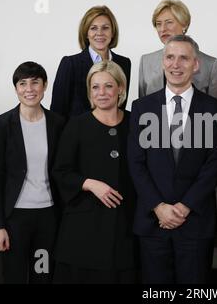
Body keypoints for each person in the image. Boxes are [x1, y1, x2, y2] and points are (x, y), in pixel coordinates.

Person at [128, 35, 217, 283]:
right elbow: (136, 163)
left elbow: (213, 165)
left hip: (195, 221)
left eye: (184, 58)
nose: (176, 64)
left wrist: (184, 207)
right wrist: (159, 207)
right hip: (153, 222)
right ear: (163, 62)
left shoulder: (215, 109)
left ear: (196, 65)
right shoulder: (142, 107)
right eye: (170, 57)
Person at [52, 61, 137, 283]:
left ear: (120, 88)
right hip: (84, 228)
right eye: (95, 87)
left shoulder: (136, 123)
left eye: (108, 86)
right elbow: (60, 172)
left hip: (125, 226)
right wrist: (89, 183)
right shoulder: (76, 125)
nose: (102, 93)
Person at [0, 61, 65, 283]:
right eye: (23, 83)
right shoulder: (2, 124)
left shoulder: (57, 123)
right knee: (14, 276)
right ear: (16, 89)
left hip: (47, 218)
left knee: (42, 275)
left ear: (44, 86)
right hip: (15, 219)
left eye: (35, 83)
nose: (29, 89)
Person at [50, 5, 131, 119]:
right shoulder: (70, 64)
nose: (99, 33)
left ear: (112, 32)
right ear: (86, 33)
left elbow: (120, 104)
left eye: (105, 28)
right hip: (77, 135)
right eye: (93, 28)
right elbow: (57, 112)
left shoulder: (123, 63)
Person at [139, 0, 217, 100]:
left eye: (169, 22)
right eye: (158, 24)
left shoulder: (211, 65)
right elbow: (142, 108)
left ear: (184, 24)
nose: (162, 29)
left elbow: (216, 110)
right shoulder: (146, 62)